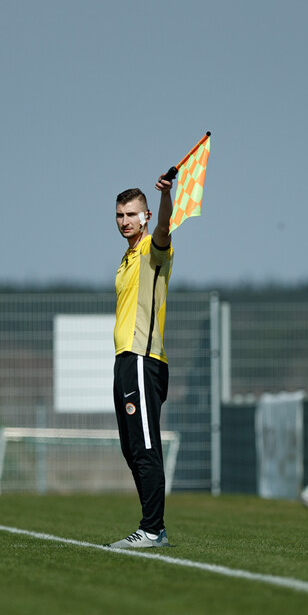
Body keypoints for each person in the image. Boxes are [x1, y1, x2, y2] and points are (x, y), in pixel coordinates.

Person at [108, 175, 175, 549]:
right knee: (132, 448)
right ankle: (154, 528)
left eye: (131, 214)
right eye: (119, 215)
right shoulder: (127, 257)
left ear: (146, 216)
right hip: (124, 360)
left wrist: (167, 197)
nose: (124, 221)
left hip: (142, 359)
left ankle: (152, 529)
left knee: (146, 446)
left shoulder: (153, 248)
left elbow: (166, 227)